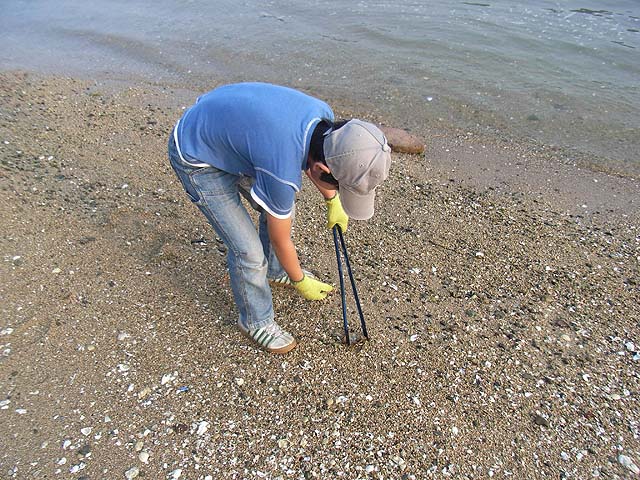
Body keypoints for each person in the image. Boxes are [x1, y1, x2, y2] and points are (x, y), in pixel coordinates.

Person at [168, 82, 391, 354]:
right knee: (248, 252)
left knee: (282, 209)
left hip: (229, 132)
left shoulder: (324, 120)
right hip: (195, 155)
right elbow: (280, 238)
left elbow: (314, 164)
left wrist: (332, 200)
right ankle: (255, 321)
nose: (337, 192)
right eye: (340, 188)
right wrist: (300, 280)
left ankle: (275, 270)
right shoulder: (282, 171)